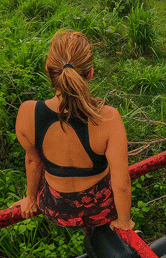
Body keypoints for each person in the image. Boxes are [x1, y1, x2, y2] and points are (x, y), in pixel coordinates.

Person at [13, 29, 134, 233]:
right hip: (100, 209)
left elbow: (33, 161)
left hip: (57, 210)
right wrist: (124, 222)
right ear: (90, 74)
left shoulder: (28, 112)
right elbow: (121, 183)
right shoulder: (107, 118)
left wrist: (31, 199)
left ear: (48, 70)